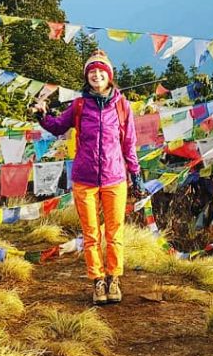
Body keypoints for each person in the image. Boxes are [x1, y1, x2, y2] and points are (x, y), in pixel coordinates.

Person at [35, 50, 144, 305]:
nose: (96, 75)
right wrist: (42, 115)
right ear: (87, 77)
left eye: (101, 71)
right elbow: (58, 126)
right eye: (92, 72)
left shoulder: (121, 105)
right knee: (91, 233)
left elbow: (129, 143)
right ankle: (97, 281)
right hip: (84, 178)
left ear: (109, 76)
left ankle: (113, 278)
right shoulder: (79, 105)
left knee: (114, 232)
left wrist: (135, 173)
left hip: (115, 177)